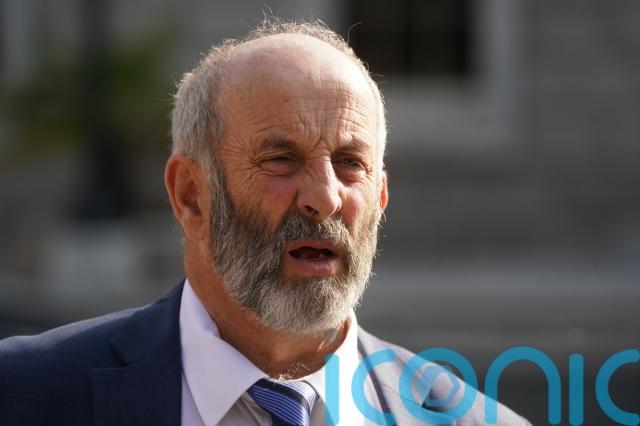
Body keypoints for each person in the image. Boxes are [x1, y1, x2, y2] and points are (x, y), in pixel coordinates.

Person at [0, 20, 530, 425]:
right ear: (190, 196)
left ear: (381, 197)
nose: (325, 197)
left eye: (350, 163)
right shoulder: (22, 393)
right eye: (281, 159)